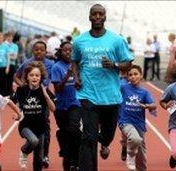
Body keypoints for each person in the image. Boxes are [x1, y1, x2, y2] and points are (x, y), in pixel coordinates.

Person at [71, 4, 133, 171]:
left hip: (111, 96)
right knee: (88, 137)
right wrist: (76, 78)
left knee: (107, 135)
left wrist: (114, 64)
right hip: (88, 95)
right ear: (89, 17)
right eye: (94, 14)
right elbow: (75, 61)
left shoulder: (117, 40)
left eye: (101, 14)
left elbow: (128, 64)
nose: (98, 16)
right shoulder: (79, 41)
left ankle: (105, 143)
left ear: (105, 17)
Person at [14, 40, 54, 168]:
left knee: (38, 157)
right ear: (28, 76)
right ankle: (24, 151)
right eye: (32, 75)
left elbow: (53, 108)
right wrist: (17, 113)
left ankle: (44, 157)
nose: (35, 77)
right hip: (26, 125)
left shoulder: (50, 66)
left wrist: (46, 94)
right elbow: (12, 101)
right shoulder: (22, 89)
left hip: (41, 125)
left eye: (37, 75)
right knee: (33, 141)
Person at [118, 65, 157, 171]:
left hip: (139, 124)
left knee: (141, 155)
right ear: (127, 77)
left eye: (135, 74)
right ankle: (129, 156)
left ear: (141, 76)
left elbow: (154, 105)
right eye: (130, 75)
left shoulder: (144, 93)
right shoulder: (123, 88)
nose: (133, 77)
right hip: (125, 121)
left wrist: (147, 106)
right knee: (135, 139)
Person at [51, 41, 81, 171]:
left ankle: (75, 160)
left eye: (71, 50)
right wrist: (68, 75)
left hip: (75, 103)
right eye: (65, 50)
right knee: (65, 133)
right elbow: (57, 89)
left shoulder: (78, 66)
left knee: (74, 129)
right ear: (60, 52)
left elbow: (81, 83)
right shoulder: (56, 67)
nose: (68, 52)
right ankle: (65, 152)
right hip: (61, 106)